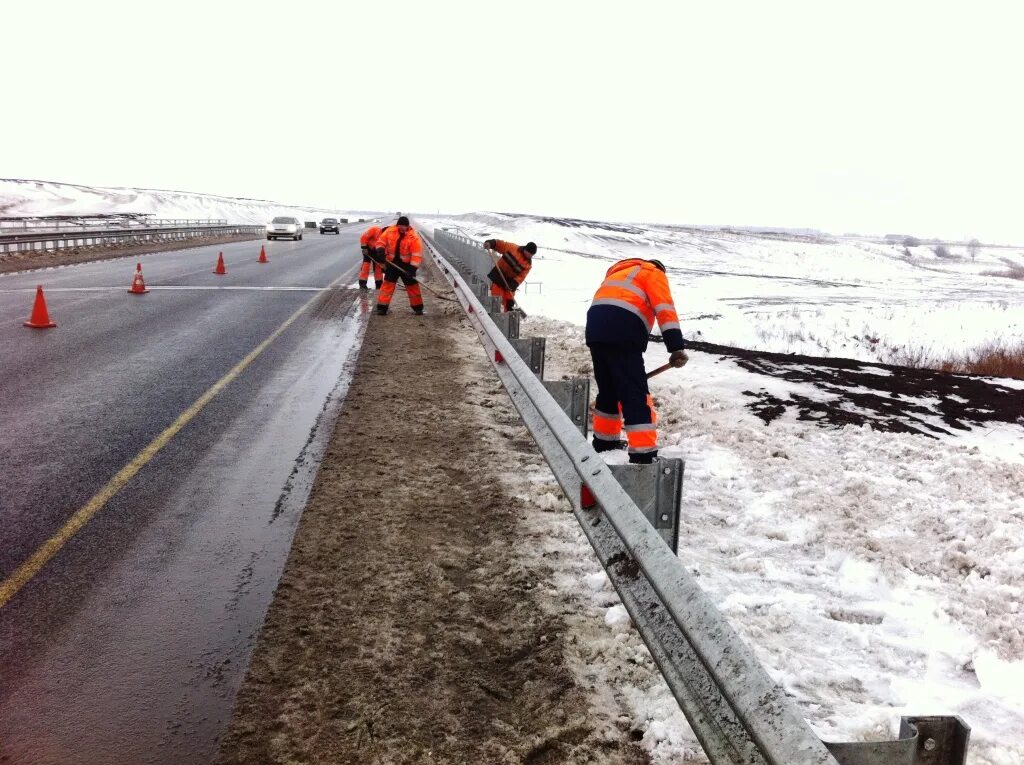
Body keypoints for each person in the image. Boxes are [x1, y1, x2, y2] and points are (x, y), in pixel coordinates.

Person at [585, 258, 687, 464]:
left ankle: (605, 443)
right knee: (634, 394)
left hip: (595, 330)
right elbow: (665, 309)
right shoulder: (653, 273)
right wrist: (676, 347)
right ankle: (643, 453)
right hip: (622, 331)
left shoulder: (620, 272)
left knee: (608, 389)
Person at [374, 216, 425, 315]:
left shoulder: (413, 237)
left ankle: (418, 308)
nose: (401, 228)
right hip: (392, 264)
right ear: (397, 225)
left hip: (407, 265)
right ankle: (382, 307)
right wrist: (380, 249)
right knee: (387, 285)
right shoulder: (390, 231)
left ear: (407, 226)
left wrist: (412, 269)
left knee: (412, 286)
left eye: (403, 226)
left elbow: (417, 255)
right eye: (400, 226)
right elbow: (381, 241)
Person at [482, 239, 537, 311]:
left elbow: (521, 277)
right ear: (525, 249)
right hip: (499, 276)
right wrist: (491, 243)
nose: (529, 255)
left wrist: (513, 285)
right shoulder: (513, 248)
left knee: (509, 302)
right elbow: (501, 245)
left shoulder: (528, 265)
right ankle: (495, 316)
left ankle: (507, 317)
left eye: (531, 255)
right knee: (497, 298)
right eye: (528, 253)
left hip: (510, 283)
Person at [359, 224, 388, 289]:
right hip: (368, 250)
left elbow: (386, 249)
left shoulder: (387, 238)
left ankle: (379, 284)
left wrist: (383, 262)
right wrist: (364, 248)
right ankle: (362, 284)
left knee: (378, 267)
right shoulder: (374, 230)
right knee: (365, 266)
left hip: (377, 252)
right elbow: (363, 237)